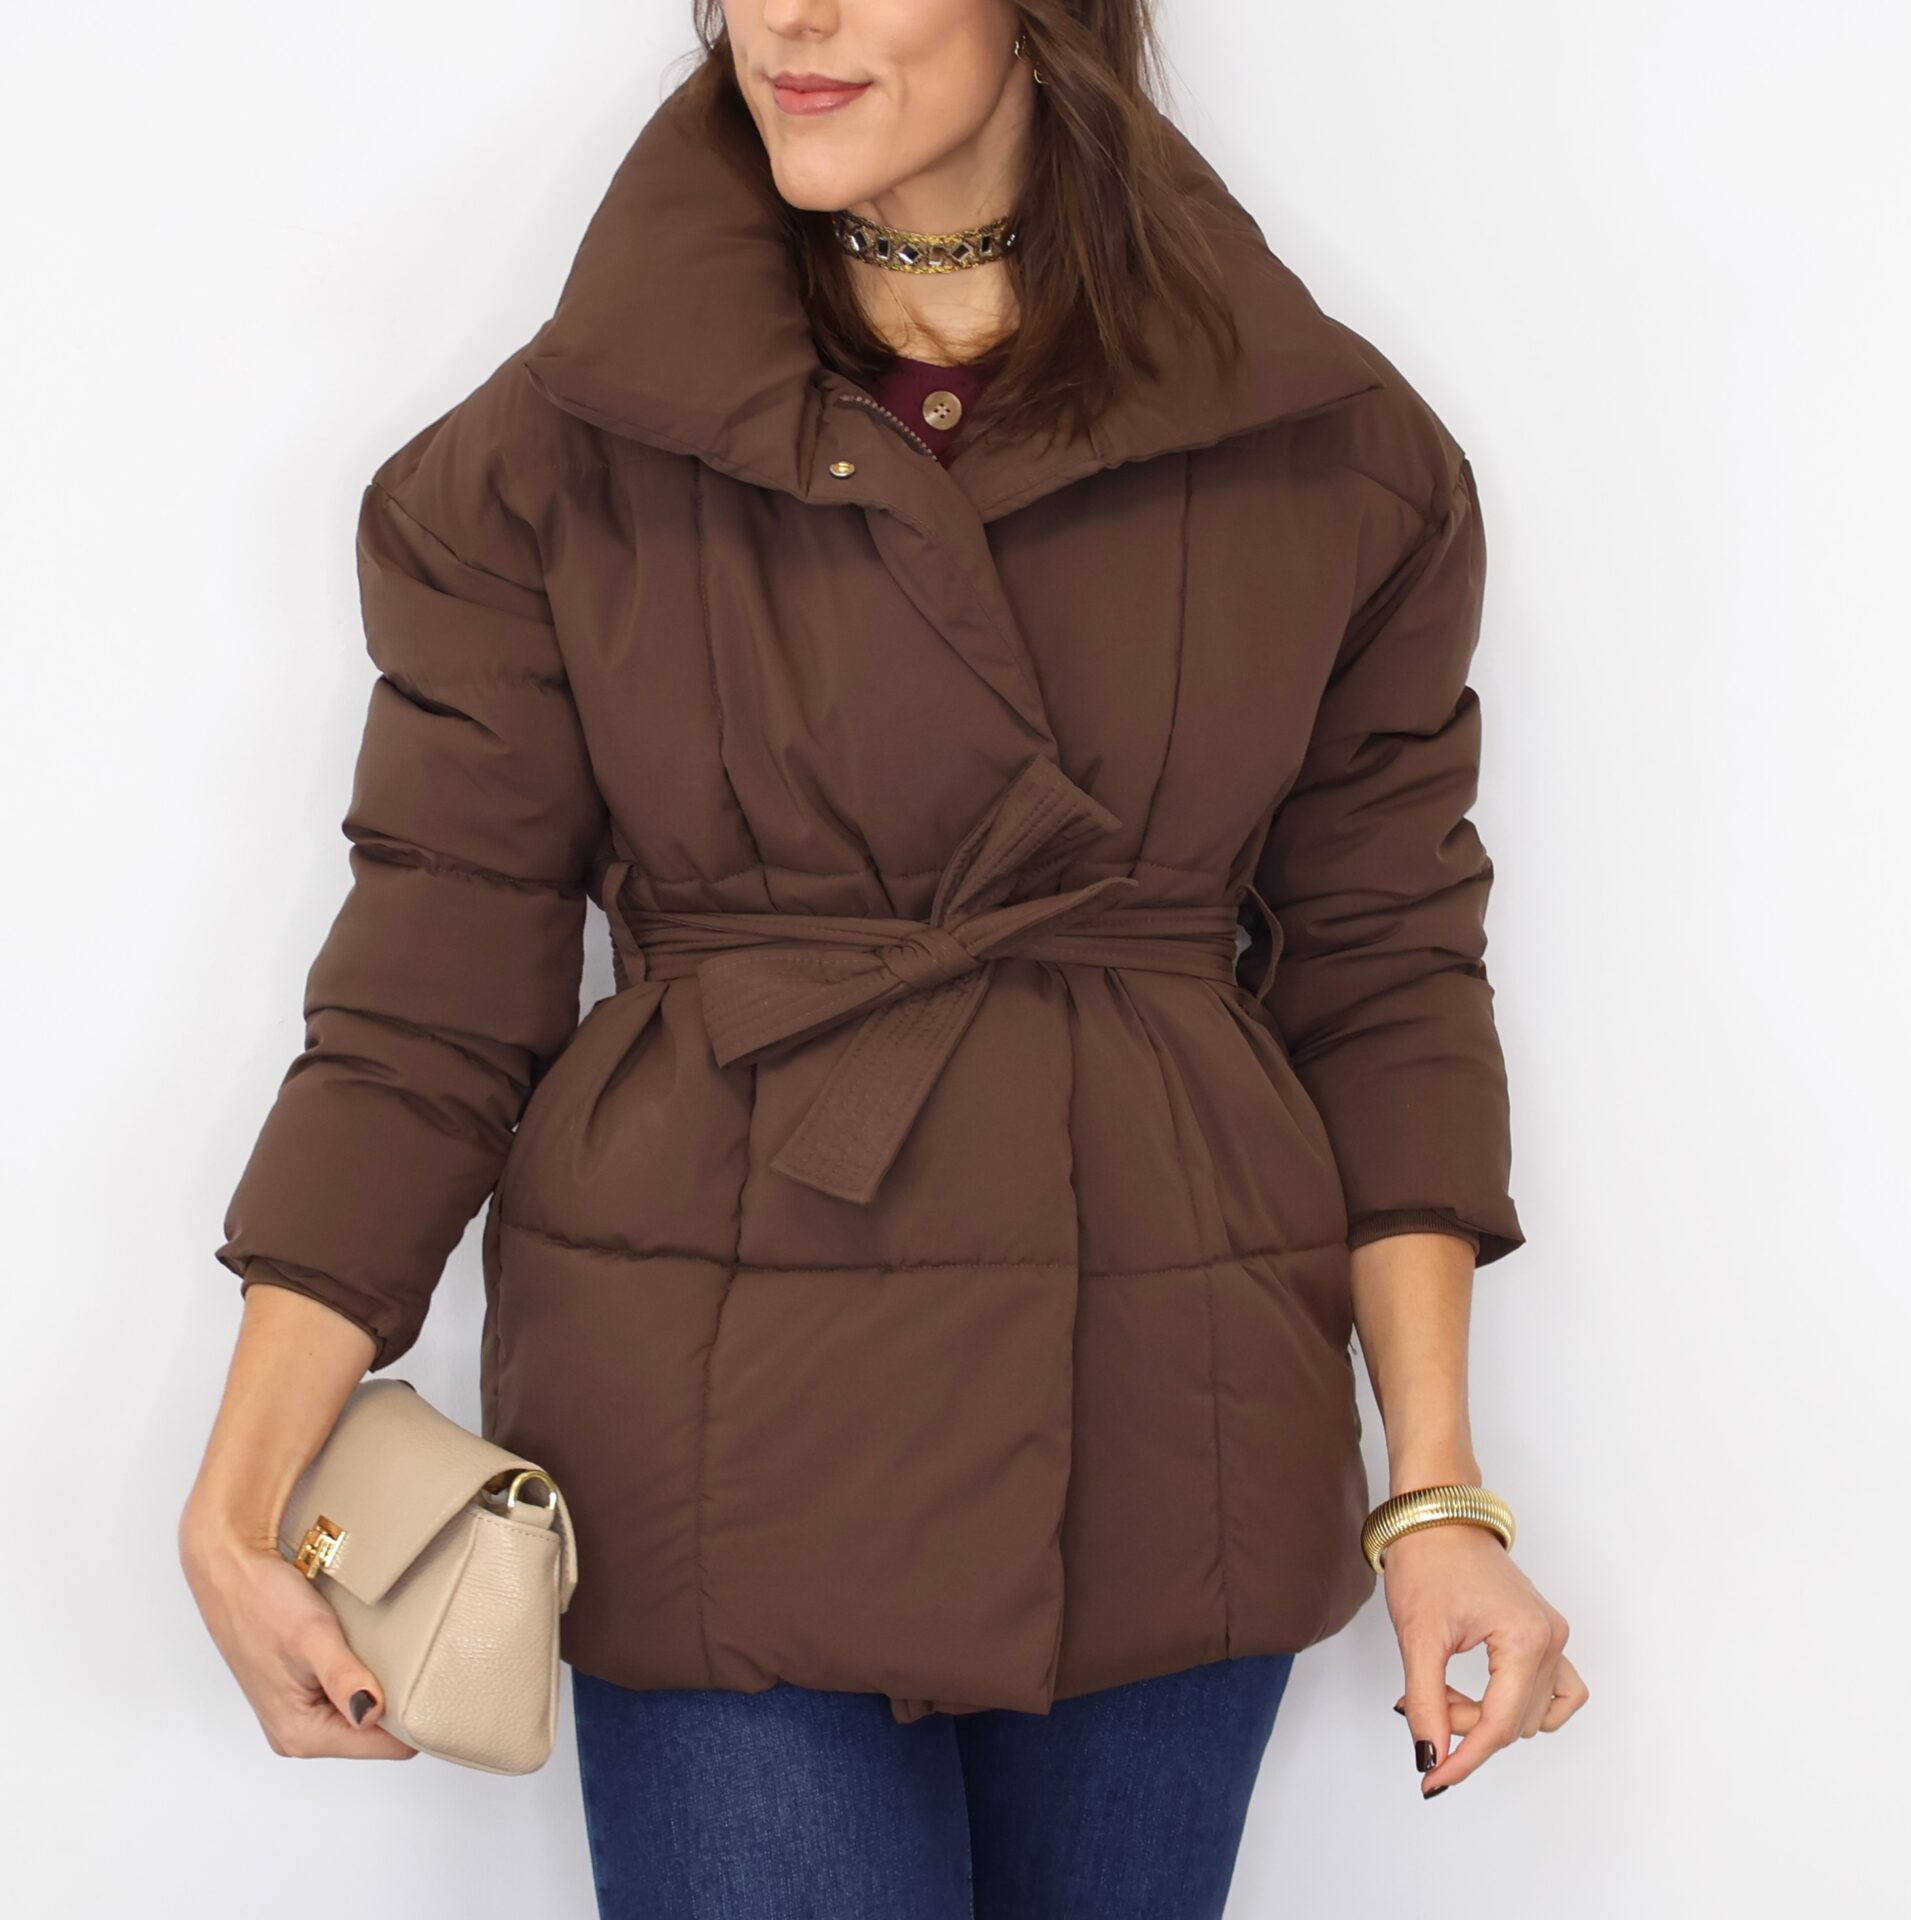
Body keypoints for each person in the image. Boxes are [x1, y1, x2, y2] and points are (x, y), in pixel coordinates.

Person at [181, 5, 1587, 1916]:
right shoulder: (556, 458)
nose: (790, 16)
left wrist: (1436, 1491)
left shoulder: (1328, 453)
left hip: (1172, 1417)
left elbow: (1388, 976)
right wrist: (243, 1487)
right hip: (712, 1421)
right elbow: (428, 993)